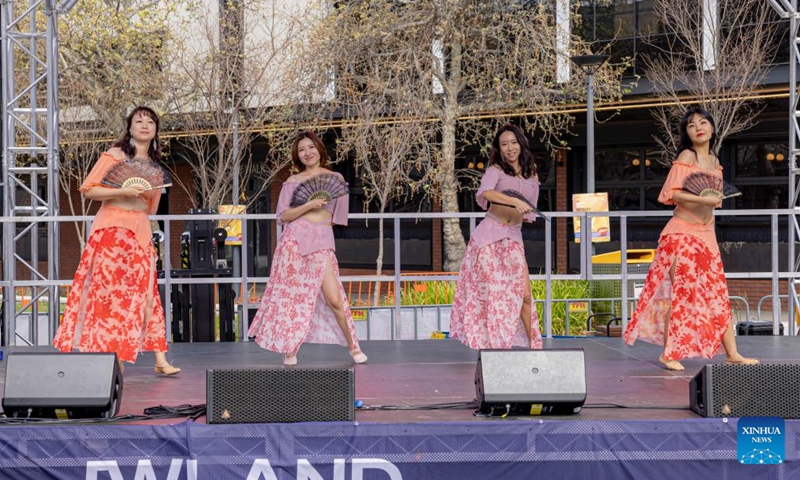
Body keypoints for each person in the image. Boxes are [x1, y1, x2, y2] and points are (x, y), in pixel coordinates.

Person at [623, 107, 759, 371]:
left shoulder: (715, 162)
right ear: (687, 133)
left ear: (711, 128)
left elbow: (713, 200)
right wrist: (702, 199)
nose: (698, 127)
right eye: (691, 125)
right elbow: (670, 193)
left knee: (718, 294)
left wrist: (711, 202)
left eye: (703, 122)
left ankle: (732, 352)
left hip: (707, 233)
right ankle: (669, 353)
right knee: (682, 293)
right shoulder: (688, 155)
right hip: (681, 233)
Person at [53, 106, 180, 376]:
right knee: (110, 295)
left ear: (156, 129)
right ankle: (115, 356)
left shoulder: (155, 166)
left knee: (147, 295)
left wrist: (144, 192)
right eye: (139, 120)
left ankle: (160, 359)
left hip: (140, 229)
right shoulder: (114, 155)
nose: (145, 125)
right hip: (111, 229)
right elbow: (89, 190)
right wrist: (124, 189)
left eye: (150, 121)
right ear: (130, 127)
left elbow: (152, 209)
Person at [248, 131, 367, 365]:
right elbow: (283, 216)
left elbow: (337, 217)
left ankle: (354, 347)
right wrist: (309, 205)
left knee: (334, 298)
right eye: (302, 150)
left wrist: (318, 221)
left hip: (321, 242)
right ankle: (290, 350)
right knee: (292, 297)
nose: (307, 153)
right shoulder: (292, 182)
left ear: (320, 150)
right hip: (294, 242)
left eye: (311, 147)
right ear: (297, 155)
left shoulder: (336, 179)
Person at [450, 124, 543, 350]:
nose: (510, 148)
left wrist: (525, 208)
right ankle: (495, 347)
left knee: (525, 295)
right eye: (504, 144)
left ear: (521, 144)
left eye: (513, 142)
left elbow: (530, 209)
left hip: (513, 239)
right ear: (499, 149)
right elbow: (485, 193)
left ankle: (536, 349)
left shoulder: (532, 175)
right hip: (490, 237)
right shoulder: (495, 170)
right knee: (492, 296)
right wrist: (515, 201)